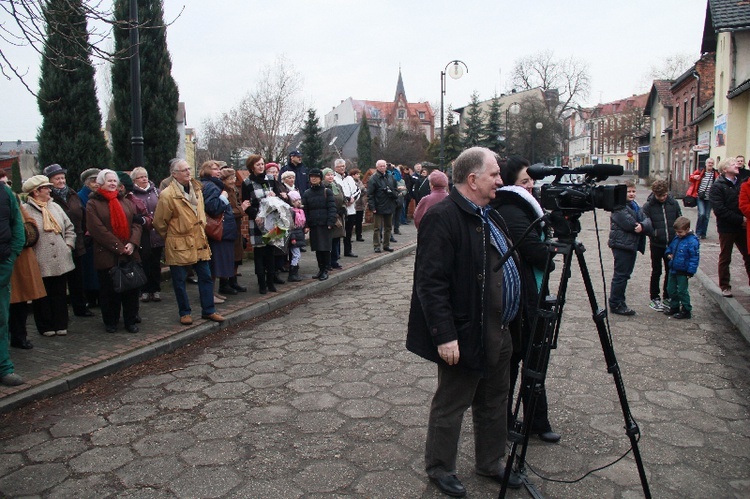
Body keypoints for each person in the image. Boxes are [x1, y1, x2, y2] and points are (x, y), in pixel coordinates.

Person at [407, 147, 522, 497]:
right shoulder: (443, 216)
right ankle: (440, 468)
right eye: (494, 174)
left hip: (499, 329)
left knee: (494, 399)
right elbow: (430, 282)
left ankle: (490, 462)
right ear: (472, 179)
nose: (501, 181)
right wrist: (444, 335)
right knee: (452, 403)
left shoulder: (491, 214)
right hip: (465, 332)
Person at [491, 156, 560, 444]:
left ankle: (536, 419)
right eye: (524, 181)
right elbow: (533, 252)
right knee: (517, 361)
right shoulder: (512, 209)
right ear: (511, 183)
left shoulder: (525, 206)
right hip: (520, 300)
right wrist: (551, 254)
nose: (530, 185)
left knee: (534, 358)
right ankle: (505, 422)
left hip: (533, 294)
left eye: (531, 180)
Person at [153, 158, 225, 325]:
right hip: (179, 243)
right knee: (179, 280)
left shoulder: (197, 189)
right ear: (174, 174)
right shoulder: (168, 195)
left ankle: (209, 310)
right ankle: (184, 312)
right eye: (183, 170)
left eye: (188, 169)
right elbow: (159, 222)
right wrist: (172, 236)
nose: (187, 172)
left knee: (206, 277)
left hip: (199, 240)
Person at [86, 170, 144, 334]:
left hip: (129, 252)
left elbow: (136, 223)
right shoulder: (93, 204)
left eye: (114, 181)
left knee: (131, 291)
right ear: (100, 184)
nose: (112, 184)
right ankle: (111, 321)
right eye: (108, 181)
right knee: (109, 291)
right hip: (107, 254)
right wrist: (119, 247)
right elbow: (97, 229)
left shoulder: (125, 201)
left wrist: (132, 243)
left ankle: (130, 320)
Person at [22, 175, 76, 337]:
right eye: (45, 188)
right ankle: (45, 326)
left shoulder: (55, 207)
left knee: (59, 292)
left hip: (60, 257)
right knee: (42, 295)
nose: (49, 190)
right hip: (39, 259)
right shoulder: (26, 210)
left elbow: (69, 227)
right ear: (36, 192)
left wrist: (68, 245)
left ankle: (61, 323)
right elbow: (26, 234)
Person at [43, 163, 93, 317]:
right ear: (50, 181)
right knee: (59, 280)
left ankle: (80, 307)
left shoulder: (72, 194)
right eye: (57, 178)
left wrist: (85, 231)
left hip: (77, 241)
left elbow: (82, 214)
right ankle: (59, 312)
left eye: (62, 177)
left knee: (77, 278)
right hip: (58, 244)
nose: (61, 181)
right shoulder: (49, 198)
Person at [608, 180, 652, 316]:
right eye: (629, 191)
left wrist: (643, 226)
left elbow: (647, 220)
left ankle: (621, 301)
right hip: (622, 245)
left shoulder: (635, 205)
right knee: (620, 276)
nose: (632, 194)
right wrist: (640, 226)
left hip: (630, 245)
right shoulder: (618, 207)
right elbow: (630, 224)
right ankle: (616, 303)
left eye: (633, 191)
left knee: (625, 275)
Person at [709, 157, 750, 297]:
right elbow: (719, 209)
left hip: (742, 226)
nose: (737, 165)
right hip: (727, 227)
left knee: (748, 255)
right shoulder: (718, 185)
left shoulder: (741, 182)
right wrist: (740, 219)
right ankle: (725, 286)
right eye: (733, 164)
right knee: (726, 256)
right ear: (725, 169)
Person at [242, 154, 283, 294]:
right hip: (257, 222)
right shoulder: (247, 183)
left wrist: (275, 197)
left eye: (262, 164)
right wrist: (256, 215)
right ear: (252, 167)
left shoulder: (271, 179)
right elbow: (246, 204)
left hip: (272, 221)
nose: (260, 166)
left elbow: (279, 200)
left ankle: (271, 281)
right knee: (260, 253)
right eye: (257, 164)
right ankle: (262, 284)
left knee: (271, 251)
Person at [199, 161, 238, 301]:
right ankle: (209, 295)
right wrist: (223, 198)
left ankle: (212, 293)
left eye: (218, 169)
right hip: (216, 231)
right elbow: (213, 208)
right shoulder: (210, 186)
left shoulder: (213, 185)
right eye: (215, 169)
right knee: (213, 264)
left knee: (215, 265)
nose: (219, 171)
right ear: (207, 171)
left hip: (221, 231)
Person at [9, 201, 46, 350]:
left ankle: (19, 336)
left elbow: (30, 224)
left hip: (20, 258)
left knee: (20, 303)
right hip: (8, 256)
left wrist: (22, 233)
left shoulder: (13, 200)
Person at [641, 179, 682, 311]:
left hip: (671, 243)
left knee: (670, 271)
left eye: (664, 195)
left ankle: (667, 295)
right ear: (654, 194)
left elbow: (679, 219)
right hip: (656, 244)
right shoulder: (648, 206)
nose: (663, 198)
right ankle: (654, 297)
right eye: (660, 196)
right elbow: (646, 224)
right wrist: (655, 233)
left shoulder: (673, 203)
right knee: (656, 270)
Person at [0, 176, 25, 386]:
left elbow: (17, 226)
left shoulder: (5, 193)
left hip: (2, 265)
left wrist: (10, 258)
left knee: (1, 319)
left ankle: (4, 367)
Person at [130, 167, 164, 303]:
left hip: (156, 233)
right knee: (143, 262)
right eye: (141, 177)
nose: (144, 179)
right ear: (134, 180)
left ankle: (155, 289)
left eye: (146, 176)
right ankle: (144, 290)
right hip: (142, 234)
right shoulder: (132, 194)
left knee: (155, 263)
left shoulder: (156, 192)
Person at [662, 216, 700, 319]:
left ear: (687, 230)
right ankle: (674, 306)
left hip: (683, 270)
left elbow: (694, 258)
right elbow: (670, 247)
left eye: (680, 232)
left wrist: (690, 272)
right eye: (677, 232)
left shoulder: (692, 241)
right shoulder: (677, 238)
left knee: (682, 291)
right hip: (674, 268)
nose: (678, 234)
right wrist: (668, 253)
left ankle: (686, 309)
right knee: (671, 289)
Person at [302, 168, 336, 281]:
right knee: (317, 248)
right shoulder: (307, 193)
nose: (314, 179)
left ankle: (326, 269)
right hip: (314, 224)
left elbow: (332, 208)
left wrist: (331, 221)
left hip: (325, 224)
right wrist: (306, 224)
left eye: (316, 177)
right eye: (312, 177)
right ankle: (320, 269)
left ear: (320, 178)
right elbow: (305, 210)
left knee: (325, 248)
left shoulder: (327, 191)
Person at [220, 166, 247, 292]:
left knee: (237, 256)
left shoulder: (234, 190)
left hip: (236, 227)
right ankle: (224, 283)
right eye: (230, 178)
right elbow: (228, 211)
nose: (232, 181)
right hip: (228, 228)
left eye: (234, 178)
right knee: (228, 257)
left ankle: (233, 280)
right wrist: (242, 209)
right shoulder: (223, 192)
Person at [77, 168, 101, 308]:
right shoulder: (81, 196)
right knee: (89, 270)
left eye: (98, 180)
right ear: (87, 183)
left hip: (99, 239)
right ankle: (91, 298)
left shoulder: (100, 196)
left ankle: (98, 296)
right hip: (88, 239)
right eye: (93, 181)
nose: (96, 183)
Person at [367, 159, 399, 253]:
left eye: (384, 166)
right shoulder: (373, 178)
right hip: (378, 206)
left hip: (389, 205)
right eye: (380, 166)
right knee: (377, 228)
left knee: (388, 227)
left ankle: (386, 244)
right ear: (377, 167)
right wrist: (372, 207)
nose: (382, 167)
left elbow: (395, 189)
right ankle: (376, 245)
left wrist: (394, 197)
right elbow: (370, 194)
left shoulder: (390, 176)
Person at [333, 159, 360, 258]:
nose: (342, 168)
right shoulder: (334, 179)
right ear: (335, 168)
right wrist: (345, 200)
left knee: (349, 232)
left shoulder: (349, 178)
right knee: (339, 232)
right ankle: (337, 253)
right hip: (341, 209)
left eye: (343, 166)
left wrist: (353, 199)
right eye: (340, 166)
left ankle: (348, 250)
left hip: (351, 209)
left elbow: (357, 190)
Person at [323, 167, 345, 269]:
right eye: (328, 175)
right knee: (329, 240)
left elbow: (343, 198)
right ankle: (327, 262)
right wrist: (333, 213)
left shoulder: (337, 186)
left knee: (336, 239)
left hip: (339, 216)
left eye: (332, 174)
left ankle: (334, 260)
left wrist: (343, 208)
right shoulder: (323, 188)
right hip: (330, 217)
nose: (330, 176)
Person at [692, 158, 718, 239]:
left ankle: (703, 233)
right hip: (700, 196)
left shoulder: (715, 173)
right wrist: (694, 177)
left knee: (706, 216)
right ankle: (698, 232)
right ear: (706, 164)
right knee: (701, 214)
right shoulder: (701, 172)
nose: (710, 164)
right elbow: (691, 177)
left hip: (710, 197)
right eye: (709, 163)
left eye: (712, 163)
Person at [286, 190, 306, 282]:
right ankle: (292, 273)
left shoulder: (300, 211)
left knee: (296, 255)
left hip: (299, 235)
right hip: (294, 237)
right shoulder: (291, 212)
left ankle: (295, 272)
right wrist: (293, 237)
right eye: (296, 200)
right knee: (296, 255)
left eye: (299, 200)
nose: (299, 202)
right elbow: (291, 226)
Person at [351, 168, 367, 242]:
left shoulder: (360, 182)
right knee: (351, 222)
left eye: (358, 174)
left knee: (359, 221)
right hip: (354, 205)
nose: (358, 176)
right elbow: (356, 191)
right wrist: (361, 191)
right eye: (357, 174)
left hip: (361, 204)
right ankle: (349, 236)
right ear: (353, 175)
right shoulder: (351, 182)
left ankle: (359, 235)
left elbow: (364, 191)